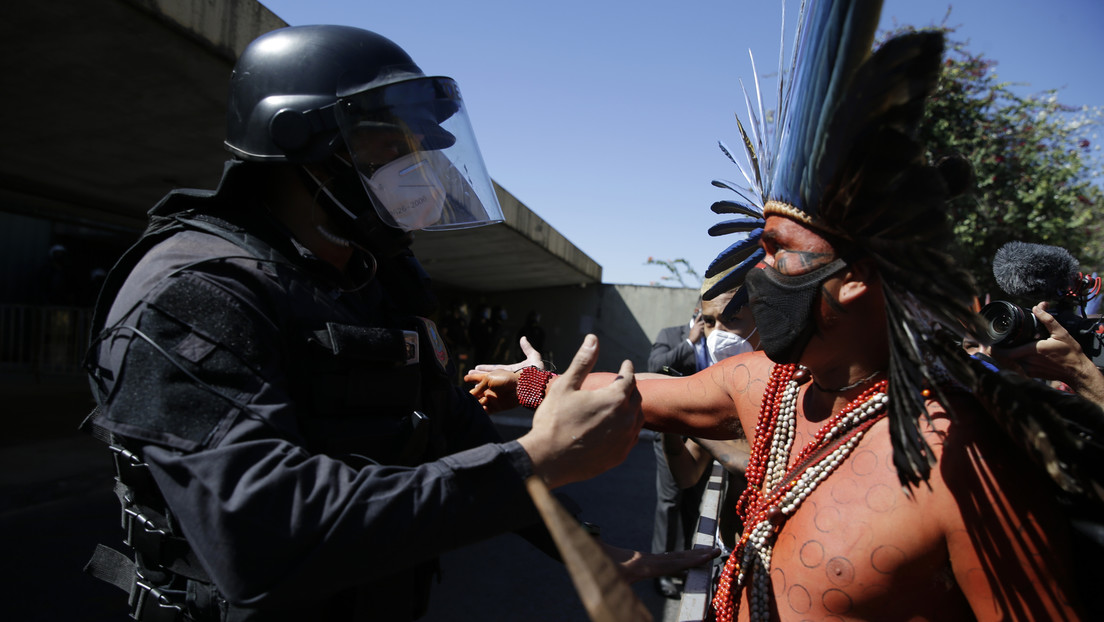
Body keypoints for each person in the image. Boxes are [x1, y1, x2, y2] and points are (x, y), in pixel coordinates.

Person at [467, 1, 1099, 618]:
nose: (756, 280)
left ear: (854, 279)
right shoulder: (765, 384)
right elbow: (645, 392)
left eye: (777, 253)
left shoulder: (963, 459)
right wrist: (529, 381)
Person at [81, 25, 712, 621]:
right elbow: (261, 536)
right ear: (305, 146)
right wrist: (534, 458)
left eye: (421, 149)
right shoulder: (194, 292)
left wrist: (579, 541)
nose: (421, 170)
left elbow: (454, 431)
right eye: (392, 146)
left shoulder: (371, 280)